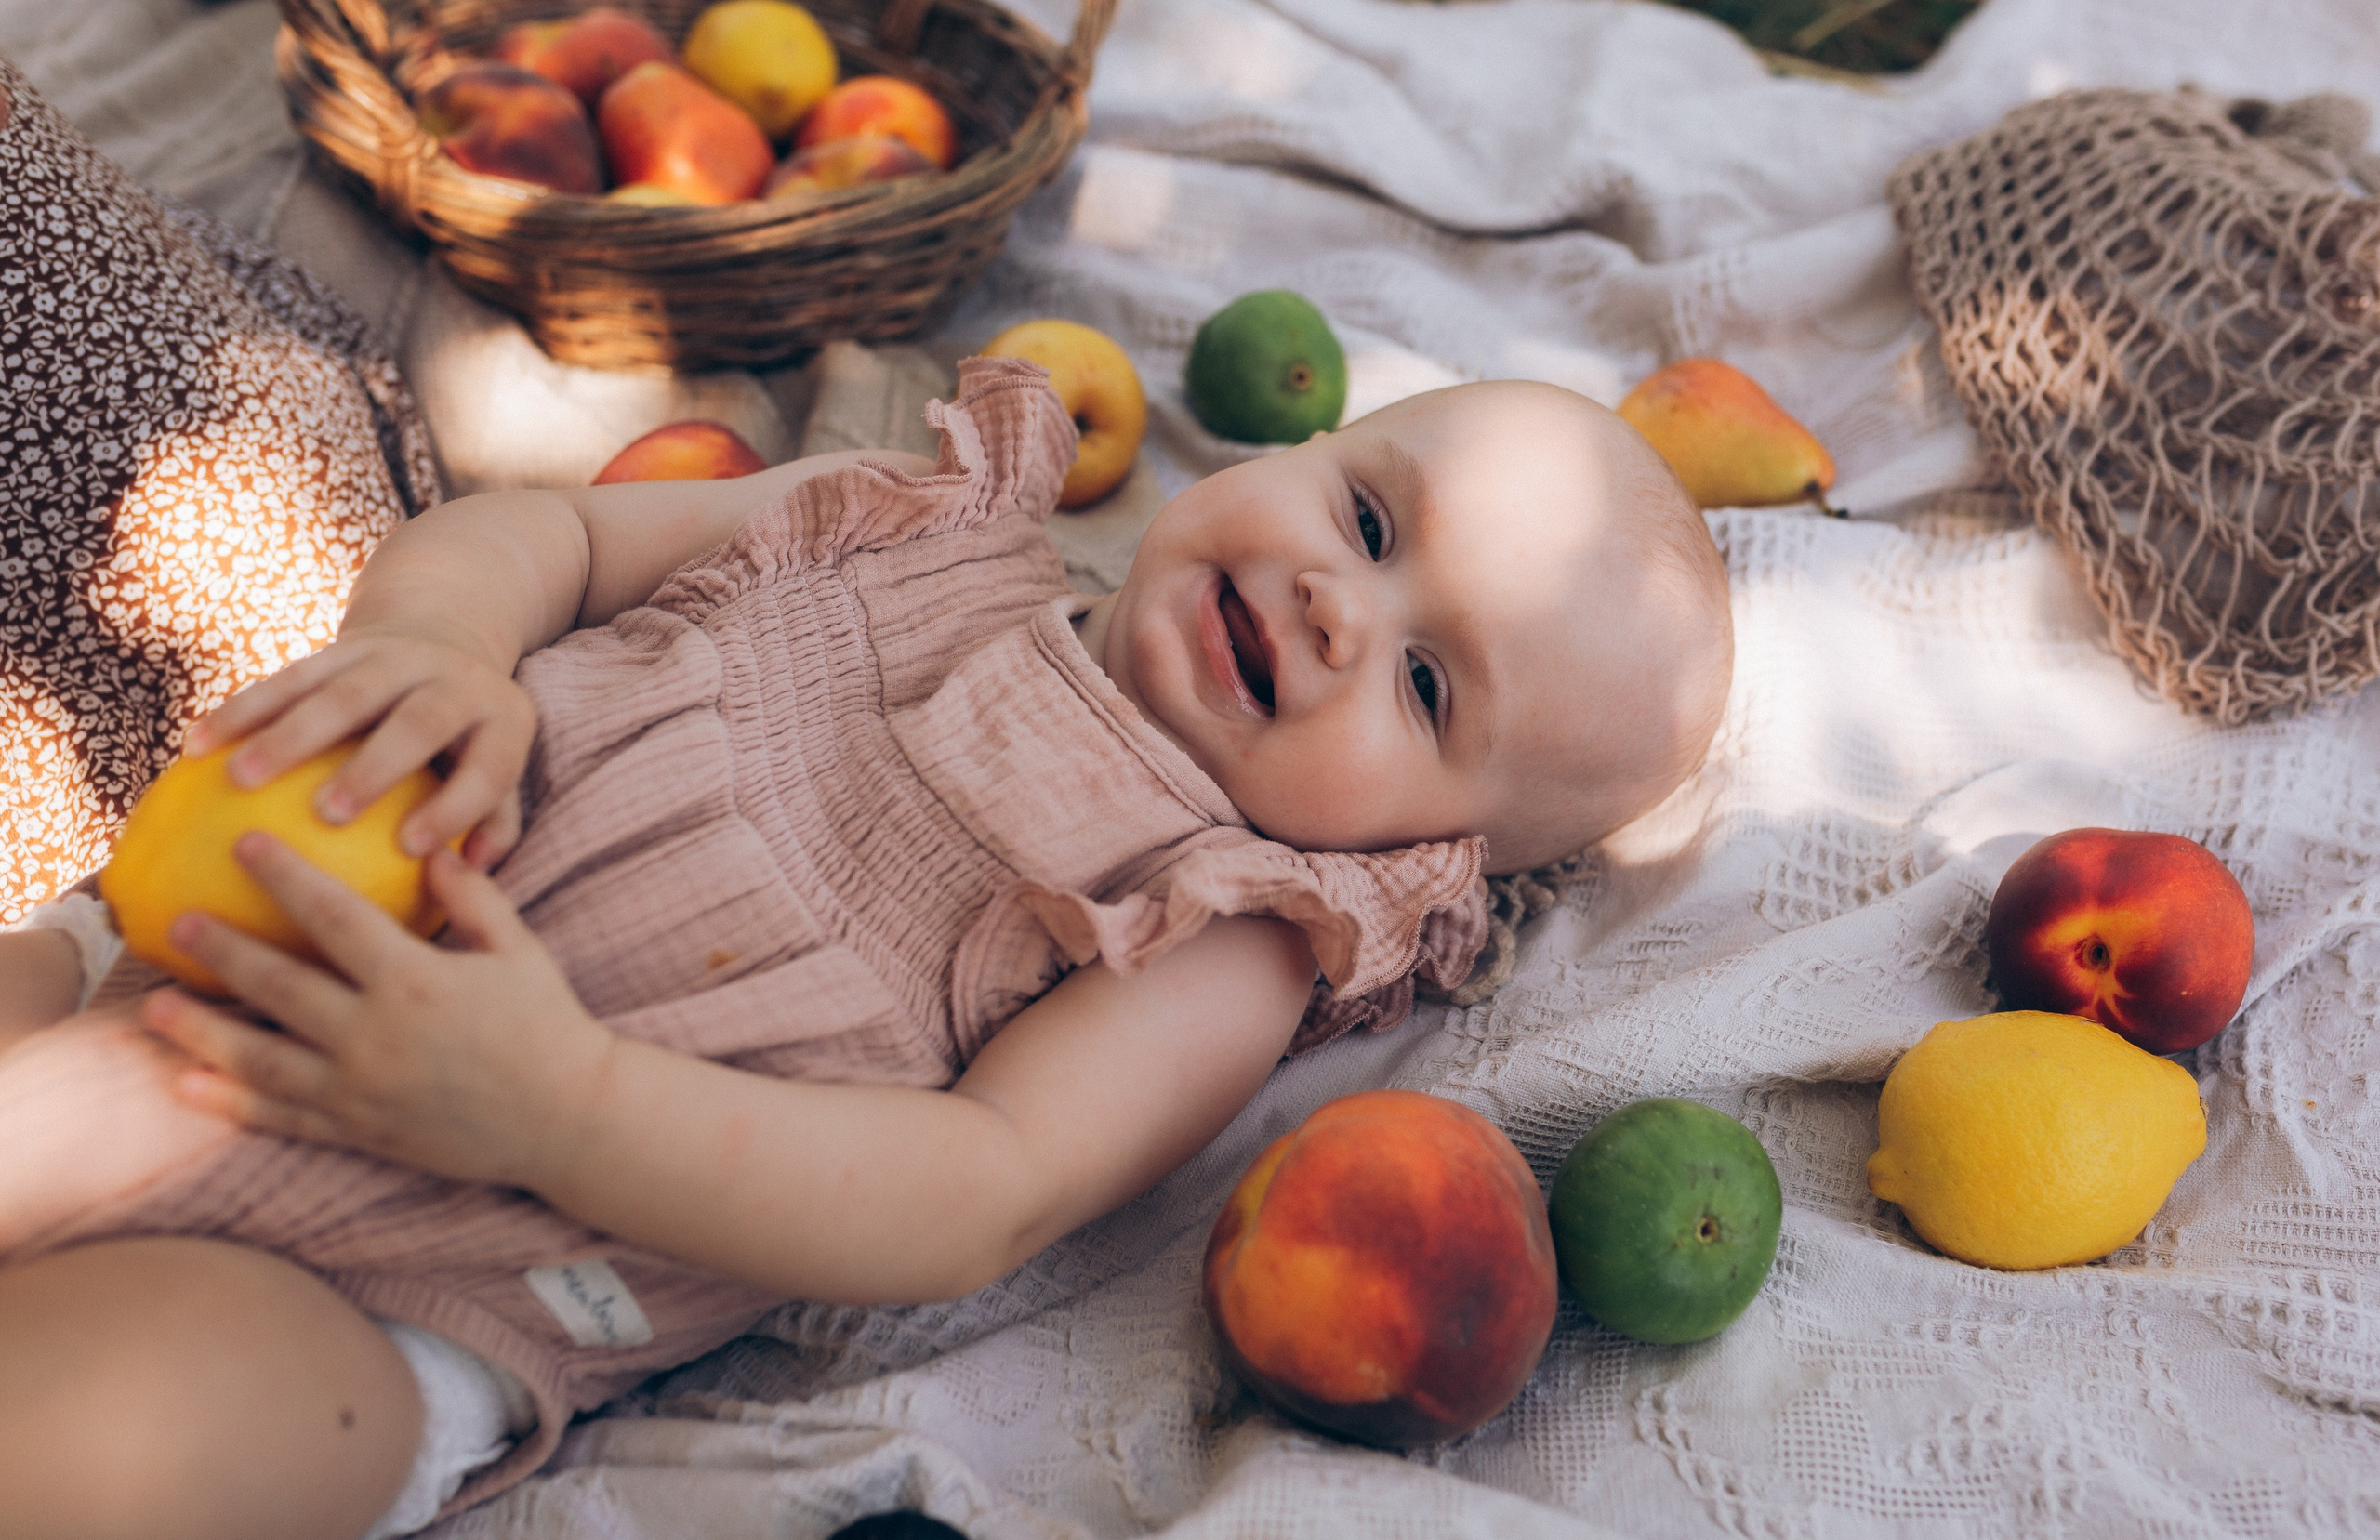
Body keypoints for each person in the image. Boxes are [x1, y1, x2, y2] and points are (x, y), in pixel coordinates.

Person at [0, 356, 1733, 1540]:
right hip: (208, 947)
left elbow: (980, 1186)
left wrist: (555, 1101)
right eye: (1366, 517)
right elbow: (565, 535)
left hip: (426, 1271)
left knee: (92, 1439)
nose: (1339, 606)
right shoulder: (918, 518)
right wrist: (447, 641)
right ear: (1297, 449)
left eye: (1427, 686)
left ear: (1432, 858)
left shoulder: (1226, 927)